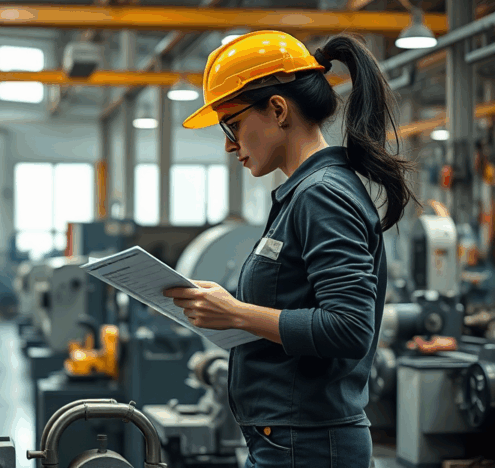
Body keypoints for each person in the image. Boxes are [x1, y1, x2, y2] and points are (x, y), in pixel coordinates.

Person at [163, 31, 419, 467]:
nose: (229, 144)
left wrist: (237, 313)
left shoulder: (322, 194)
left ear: (278, 110)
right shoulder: (303, 194)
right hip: (288, 441)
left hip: (309, 446)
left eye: (233, 124)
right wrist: (225, 310)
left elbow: (350, 327)